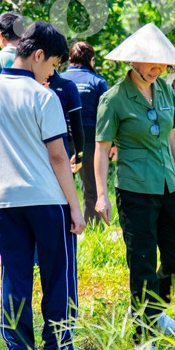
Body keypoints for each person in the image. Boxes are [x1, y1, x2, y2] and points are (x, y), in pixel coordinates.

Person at [0, 21, 94, 350]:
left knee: (15, 276)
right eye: (53, 65)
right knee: (59, 275)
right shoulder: (44, 97)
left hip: (7, 202)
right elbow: (59, 157)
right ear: (38, 55)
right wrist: (75, 207)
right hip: (47, 200)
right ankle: (59, 349)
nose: (51, 74)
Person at [94, 23, 175, 342]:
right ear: (134, 60)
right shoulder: (113, 99)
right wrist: (101, 195)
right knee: (142, 264)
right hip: (135, 190)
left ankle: (151, 311)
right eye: (151, 62)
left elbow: (173, 137)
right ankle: (143, 339)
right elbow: (101, 150)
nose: (158, 69)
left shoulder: (167, 90)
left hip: (170, 185)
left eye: (163, 63)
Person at [60, 42, 109, 223]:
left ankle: (63, 224)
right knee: (91, 184)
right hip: (89, 136)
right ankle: (92, 226)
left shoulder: (60, 79)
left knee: (61, 183)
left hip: (62, 135)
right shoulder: (97, 82)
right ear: (91, 59)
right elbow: (105, 115)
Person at [47, 69, 84, 166]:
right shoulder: (67, 86)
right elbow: (76, 125)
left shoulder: (25, 86)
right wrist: (79, 156)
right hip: (60, 146)